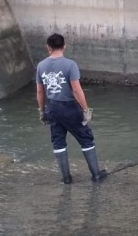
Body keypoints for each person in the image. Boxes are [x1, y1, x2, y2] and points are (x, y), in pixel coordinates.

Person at [36, 33, 107, 184]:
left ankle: (66, 178)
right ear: (64, 46)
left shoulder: (41, 66)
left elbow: (40, 91)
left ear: (48, 47)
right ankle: (96, 174)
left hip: (52, 107)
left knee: (58, 141)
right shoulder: (70, 65)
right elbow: (76, 90)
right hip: (69, 107)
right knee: (86, 138)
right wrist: (86, 110)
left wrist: (42, 111)